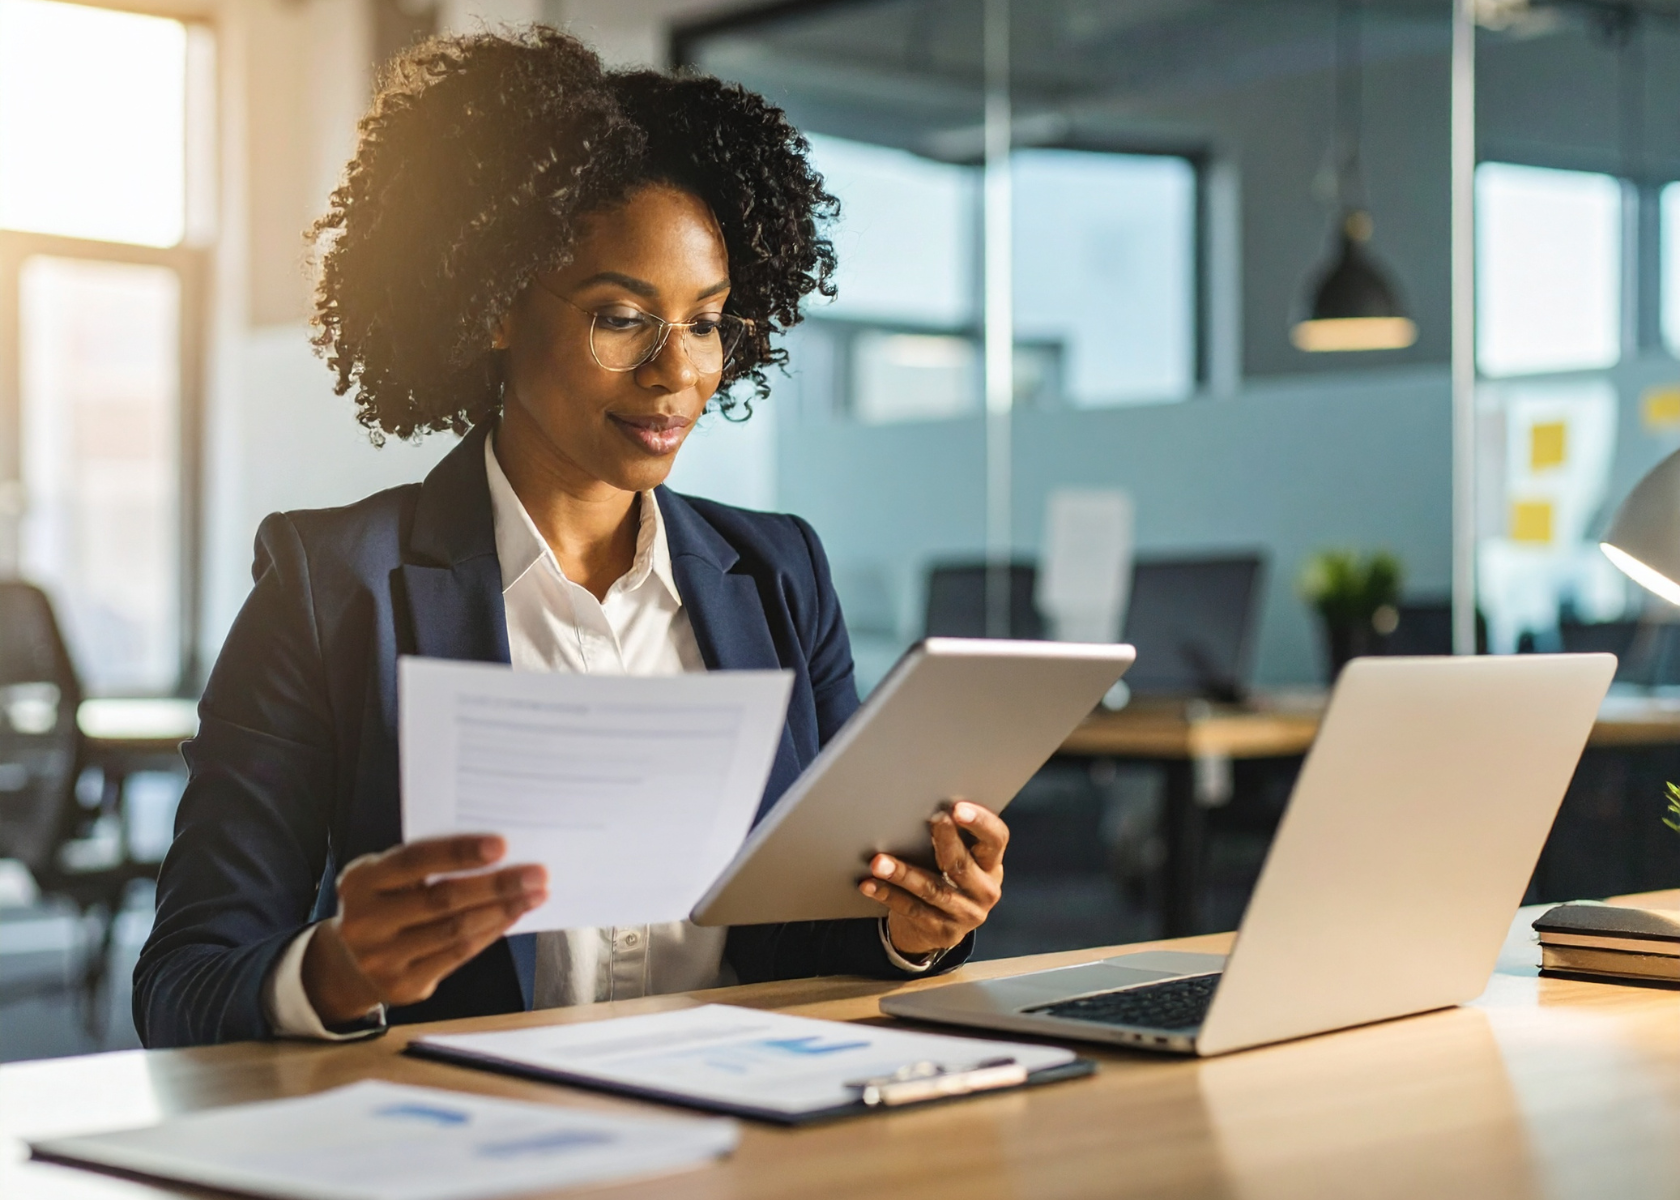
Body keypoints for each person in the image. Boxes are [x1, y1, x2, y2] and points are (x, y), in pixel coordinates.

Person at [134, 28, 1011, 1048]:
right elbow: (183, 987)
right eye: (620, 317)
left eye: (707, 322)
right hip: (474, 1147)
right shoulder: (332, 589)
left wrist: (912, 929)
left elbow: (823, 943)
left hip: (750, 1134)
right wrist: (335, 970)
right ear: (499, 303)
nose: (675, 373)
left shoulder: (778, 577)